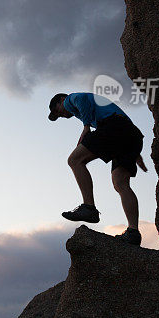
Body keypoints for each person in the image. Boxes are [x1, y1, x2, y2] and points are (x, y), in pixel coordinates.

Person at [48, 92, 147, 245]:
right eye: (57, 115)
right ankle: (133, 232)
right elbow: (126, 126)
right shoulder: (93, 110)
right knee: (120, 183)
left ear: (61, 100)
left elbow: (81, 100)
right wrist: (135, 152)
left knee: (74, 160)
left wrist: (86, 127)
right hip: (131, 134)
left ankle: (89, 207)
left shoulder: (70, 99)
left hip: (114, 126)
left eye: (57, 110)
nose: (60, 114)